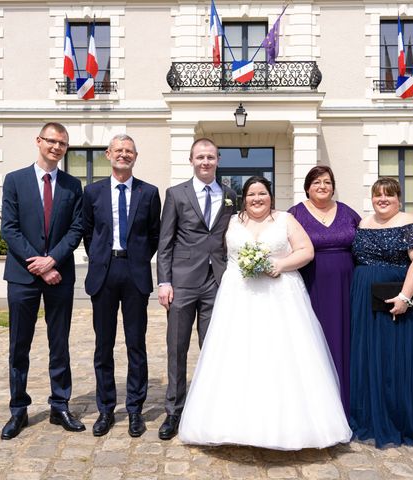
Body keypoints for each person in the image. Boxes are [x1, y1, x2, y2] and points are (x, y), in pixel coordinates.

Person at [179, 176, 352, 450]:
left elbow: (306, 251)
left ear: (270, 196)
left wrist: (280, 265)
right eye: (251, 194)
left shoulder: (285, 219)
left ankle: (289, 426)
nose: (256, 198)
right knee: (237, 356)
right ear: (243, 198)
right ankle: (232, 424)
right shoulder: (233, 221)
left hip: (280, 294)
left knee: (281, 355)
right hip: (238, 297)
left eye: (262, 193)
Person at [349, 177, 413, 448]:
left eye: (389, 196)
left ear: (398, 199)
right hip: (364, 298)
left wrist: (405, 296)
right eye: (377, 195)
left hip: (401, 297)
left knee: (398, 358)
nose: (382, 200)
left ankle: (401, 420)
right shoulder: (362, 223)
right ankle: (370, 414)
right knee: (370, 357)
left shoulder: (412, 221)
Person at [0, 122, 84, 439]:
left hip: (60, 275)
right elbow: (9, 229)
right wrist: (39, 264)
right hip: (23, 276)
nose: (57, 147)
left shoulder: (73, 186)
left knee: (59, 344)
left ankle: (59, 405)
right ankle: (18, 410)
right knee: (19, 346)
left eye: (62, 143)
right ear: (39, 141)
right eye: (52, 141)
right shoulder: (15, 181)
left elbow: (77, 229)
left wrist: (53, 260)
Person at [156, 138, 237, 440]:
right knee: (177, 349)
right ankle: (174, 411)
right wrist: (164, 282)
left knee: (213, 349)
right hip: (181, 284)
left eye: (211, 157)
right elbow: (165, 243)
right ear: (191, 160)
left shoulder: (230, 195)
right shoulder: (176, 194)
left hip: (217, 282)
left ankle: (212, 408)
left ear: (218, 160)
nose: (205, 162)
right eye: (200, 157)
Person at [82, 134, 161, 437]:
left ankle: (135, 410)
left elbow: (154, 234)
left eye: (129, 151)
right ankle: (105, 409)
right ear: (108, 154)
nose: (124, 155)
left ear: (135, 156)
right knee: (103, 346)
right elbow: (88, 232)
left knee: (135, 345)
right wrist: (102, 257)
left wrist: (138, 258)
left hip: (135, 273)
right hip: (103, 272)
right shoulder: (92, 192)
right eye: (119, 150)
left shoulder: (149, 192)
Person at [288, 166, 360, 414]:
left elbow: (365, 244)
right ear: (307, 186)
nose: (322, 186)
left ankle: (346, 401)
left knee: (345, 338)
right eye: (317, 182)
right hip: (311, 284)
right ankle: (316, 405)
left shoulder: (348, 212)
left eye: (327, 182)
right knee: (315, 339)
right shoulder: (295, 213)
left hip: (347, 285)